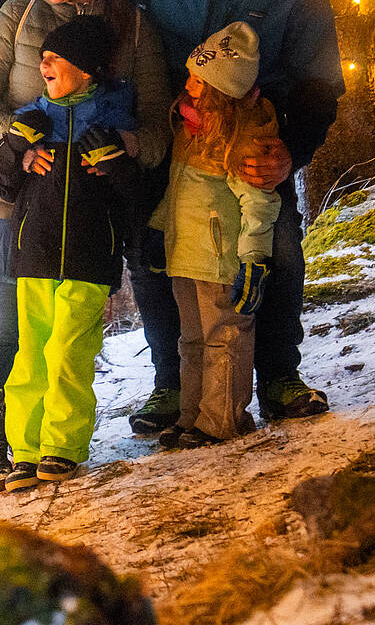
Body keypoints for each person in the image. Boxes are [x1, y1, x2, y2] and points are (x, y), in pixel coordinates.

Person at [115, 0, 345, 432]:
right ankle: (172, 384)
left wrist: (291, 150)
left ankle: (279, 377)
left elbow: (322, 84)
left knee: (278, 248)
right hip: (168, 129)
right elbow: (109, 10)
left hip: (252, 136)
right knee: (155, 253)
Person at [0, 0, 170, 490]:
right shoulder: (19, 12)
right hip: (7, 194)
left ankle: (55, 440)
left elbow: (158, 127)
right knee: (5, 326)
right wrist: (18, 141)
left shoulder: (133, 29)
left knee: (66, 333)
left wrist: (123, 147)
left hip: (85, 209)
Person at [0, 16, 142, 490]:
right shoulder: (32, 119)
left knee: (69, 351)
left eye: (59, 57)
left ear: (89, 70)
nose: (44, 62)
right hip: (34, 255)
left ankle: (62, 446)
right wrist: (13, 148)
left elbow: (135, 198)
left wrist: (116, 165)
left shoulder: (113, 123)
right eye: (45, 56)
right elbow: (5, 188)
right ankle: (26, 451)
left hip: (89, 257)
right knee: (31, 353)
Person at [150, 22, 279, 447]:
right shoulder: (191, 128)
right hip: (185, 255)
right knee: (191, 339)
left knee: (224, 337)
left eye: (198, 80)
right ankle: (192, 416)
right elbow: (179, 190)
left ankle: (222, 419)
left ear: (223, 90)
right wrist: (159, 231)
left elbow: (258, 202)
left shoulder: (243, 135)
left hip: (221, 259)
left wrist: (255, 259)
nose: (187, 85)